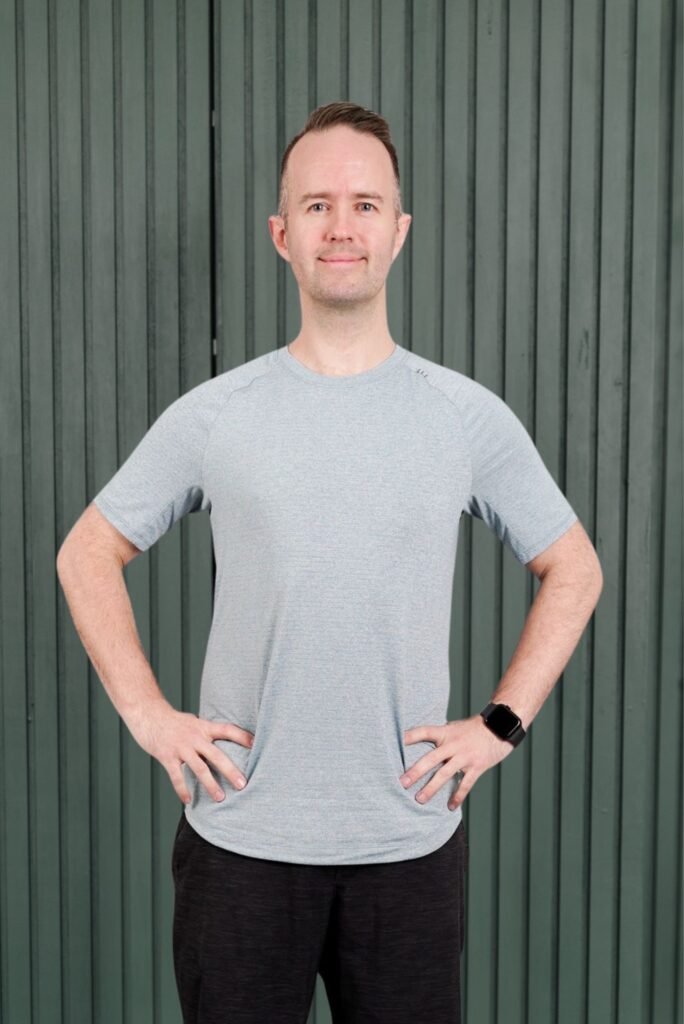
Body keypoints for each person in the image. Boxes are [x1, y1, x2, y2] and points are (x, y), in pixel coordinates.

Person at [56, 101, 603, 1024]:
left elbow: (575, 567)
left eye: (364, 204)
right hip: (240, 845)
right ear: (282, 235)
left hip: (407, 847)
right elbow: (87, 553)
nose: (341, 226)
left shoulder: (461, 415)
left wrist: (500, 725)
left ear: (399, 231)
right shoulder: (217, 414)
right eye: (316, 206)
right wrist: (149, 716)